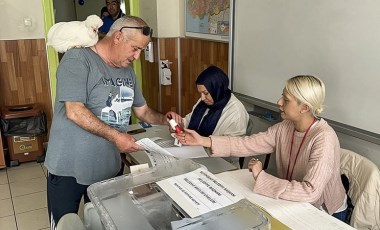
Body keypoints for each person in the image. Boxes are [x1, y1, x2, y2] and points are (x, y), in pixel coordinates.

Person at [44, 15, 181, 228]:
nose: (137, 56)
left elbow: (143, 111)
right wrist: (117, 136)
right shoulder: (78, 59)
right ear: (118, 37)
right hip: (69, 168)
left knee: (104, 223)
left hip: (108, 168)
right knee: (64, 224)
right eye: (135, 48)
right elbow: (74, 111)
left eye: (141, 51)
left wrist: (164, 119)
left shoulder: (128, 72)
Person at [177, 75, 348, 222]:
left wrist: (261, 177)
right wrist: (203, 141)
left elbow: (310, 192)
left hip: (324, 211)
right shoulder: (285, 127)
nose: (279, 102)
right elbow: (247, 143)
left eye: (286, 100)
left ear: (304, 107)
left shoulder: (323, 138)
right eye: (282, 96)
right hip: (293, 202)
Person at [182, 66, 249, 167]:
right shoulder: (205, 101)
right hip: (197, 156)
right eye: (200, 93)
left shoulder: (236, 112)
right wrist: (178, 123)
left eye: (205, 93)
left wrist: (202, 142)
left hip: (222, 164)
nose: (202, 98)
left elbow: (232, 149)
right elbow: (189, 119)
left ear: (217, 88)